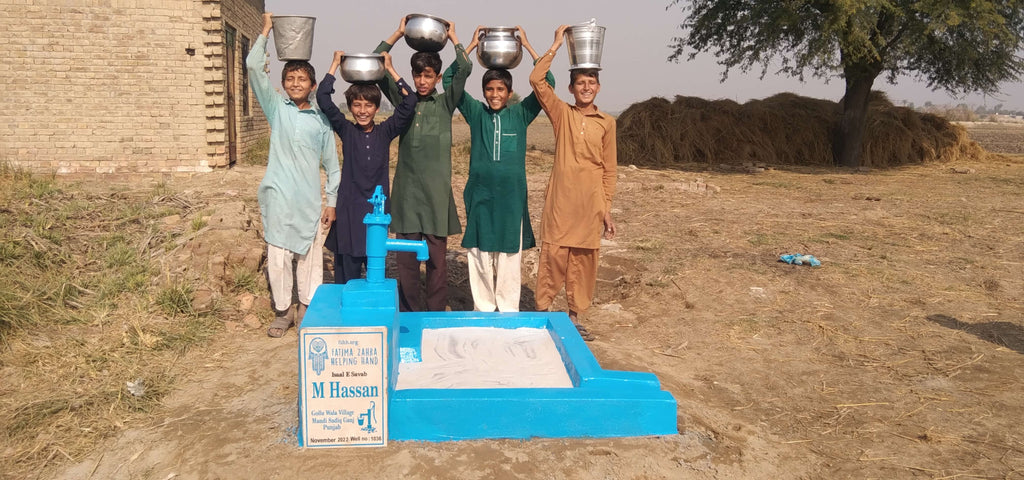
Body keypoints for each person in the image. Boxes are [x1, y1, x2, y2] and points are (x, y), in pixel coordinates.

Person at [441, 26, 552, 312]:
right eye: (489, 89)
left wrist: (526, 45)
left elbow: (546, 80)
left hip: (512, 197)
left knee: (508, 254)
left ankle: (507, 308)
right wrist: (468, 44)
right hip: (480, 194)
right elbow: (450, 79)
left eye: (500, 89)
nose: (494, 94)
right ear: (483, 92)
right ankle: (483, 306)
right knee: (479, 252)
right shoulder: (476, 112)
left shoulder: (522, 113)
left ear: (509, 92)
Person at [247, 13, 340, 337]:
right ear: (283, 85)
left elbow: (333, 166)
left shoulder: (321, 121)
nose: (296, 83)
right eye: (290, 79)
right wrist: (266, 31)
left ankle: (307, 308)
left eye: (302, 79)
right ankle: (283, 311)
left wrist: (332, 202)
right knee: (278, 256)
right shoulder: (276, 109)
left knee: (310, 258)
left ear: (313, 86)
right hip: (279, 197)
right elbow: (253, 69)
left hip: (309, 201)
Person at [372, 17, 472, 312]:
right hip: (408, 196)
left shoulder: (445, 103)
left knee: (438, 264)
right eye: (418, 76)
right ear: (413, 76)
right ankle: (410, 315)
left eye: (429, 76)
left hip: (436, 198)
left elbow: (465, 67)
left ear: (438, 78)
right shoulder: (405, 102)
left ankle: (435, 315)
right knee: (406, 264)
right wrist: (400, 32)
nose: (422, 81)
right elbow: (379, 63)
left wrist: (454, 36)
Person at [529, 25, 617, 341]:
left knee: (583, 262)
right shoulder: (561, 114)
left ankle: (575, 318)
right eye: (580, 82)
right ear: (571, 88)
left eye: (591, 82)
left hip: (590, 205)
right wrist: (554, 44)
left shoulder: (607, 123)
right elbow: (536, 81)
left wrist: (606, 208)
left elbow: (609, 170)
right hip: (560, 203)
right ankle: (541, 313)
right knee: (553, 256)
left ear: (598, 87)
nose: (586, 87)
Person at [316, 50, 417, 283]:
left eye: (369, 105)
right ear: (350, 107)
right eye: (357, 105)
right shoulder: (347, 130)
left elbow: (410, 101)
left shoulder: (385, 132)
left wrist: (390, 69)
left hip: (376, 211)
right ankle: (346, 316)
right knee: (347, 270)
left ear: (377, 108)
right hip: (349, 208)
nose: (363, 111)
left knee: (375, 267)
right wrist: (333, 65)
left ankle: (372, 314)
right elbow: (323, 98)